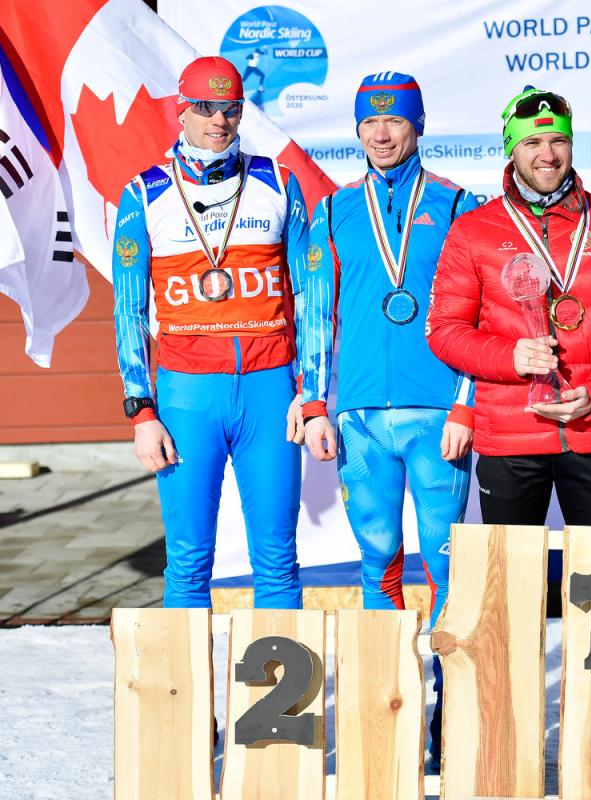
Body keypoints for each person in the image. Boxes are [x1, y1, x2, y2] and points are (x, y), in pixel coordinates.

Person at [111, 56, 308, 608]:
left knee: (277, 559)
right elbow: (127, 310)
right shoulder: (145, 193)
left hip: (269, 389)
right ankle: (183, 697)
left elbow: (312, 298)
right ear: (181, 111)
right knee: (190, 560)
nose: (218, 121)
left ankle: (280, 697)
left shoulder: (279, 182)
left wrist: (311, 392)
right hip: (186, 394)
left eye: (230, 109)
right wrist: (141, 411)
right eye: (204, 108)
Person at [426, 86, 591, 527]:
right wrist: (509, 356)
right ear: (511, 149)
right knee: (512, 585)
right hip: (511, 438)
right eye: (531, 142)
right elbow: (444, 329)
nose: (547, 154)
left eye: (558, 141)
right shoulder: (473, 230)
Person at [299, 71, 477, 622]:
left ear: (417, 125)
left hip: (438, 412)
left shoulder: (458, 205)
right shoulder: (332, 210)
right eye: (370, 121)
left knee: (447, 563)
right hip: (360, 416)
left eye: (395, 119)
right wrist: (313, 405)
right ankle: (386, 698)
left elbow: (481, 313)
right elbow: (314, 316)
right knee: (377, 559)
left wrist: (466, 404)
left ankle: (452, 702)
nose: (381, 133)